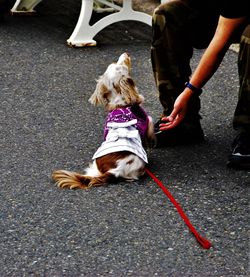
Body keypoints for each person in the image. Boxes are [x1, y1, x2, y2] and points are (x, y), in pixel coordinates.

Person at [151, 0, 250, 168]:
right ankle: (179, 120)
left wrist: (189, 91)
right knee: (167, 14)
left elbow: (220, 41)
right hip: (227, 14)